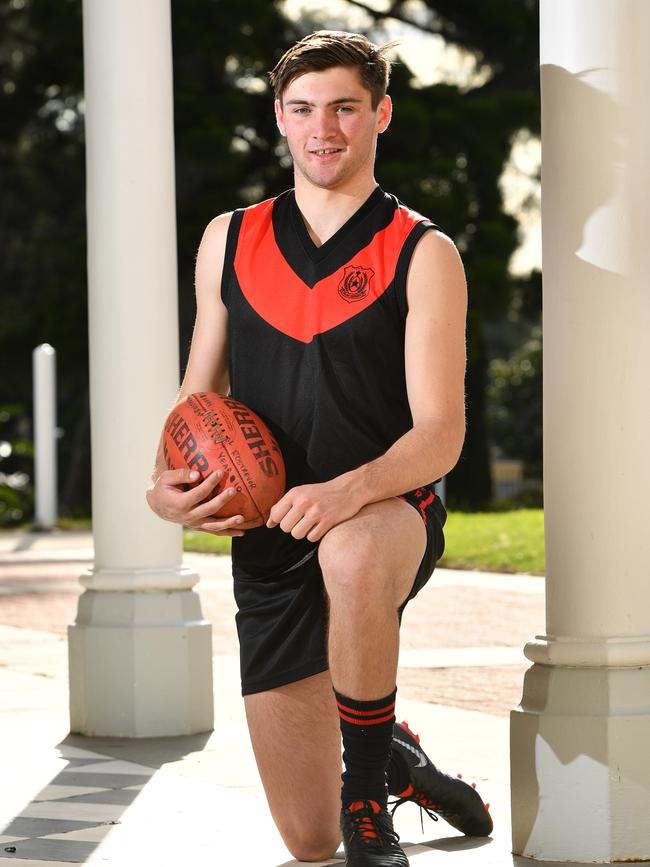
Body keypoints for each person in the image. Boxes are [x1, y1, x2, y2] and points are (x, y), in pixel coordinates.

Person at [147, 30, 492, 866]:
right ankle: (397, 752)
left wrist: (346, 493)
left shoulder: (423, 250)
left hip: (383, 508)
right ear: (280, 119)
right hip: (268, 529)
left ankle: (367, 792)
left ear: (381, 113)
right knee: (306, 840)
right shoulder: (229, 238)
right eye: (303, 109)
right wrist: (165, 487)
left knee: (350, 552)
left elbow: (441, 432)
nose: (323, 129)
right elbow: (198, 399)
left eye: (344, 107)